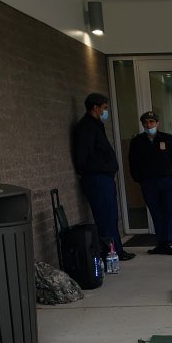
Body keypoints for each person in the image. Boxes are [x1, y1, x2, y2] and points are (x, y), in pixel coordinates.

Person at [72, 92, 133, 260]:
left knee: (111, 216)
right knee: (105, 217)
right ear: (95, 108)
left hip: (104, 177)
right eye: (104, 108)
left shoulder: (96, 125)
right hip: (97, 178)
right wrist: (103, 167)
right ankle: (110, 252)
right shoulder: (86, 128)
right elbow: (84, 157)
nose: (106, 112)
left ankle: (116, 250)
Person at [128, 110, 172, 256]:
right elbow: (133, 162)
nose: (148, 124)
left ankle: (168, 241)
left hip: (167, 181)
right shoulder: (137, 141)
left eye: (151, 122)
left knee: (169, 210)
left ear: (157, 123)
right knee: (156, 212)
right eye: (145, 122)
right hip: (148, 182)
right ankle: (160, 243)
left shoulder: (167, 138)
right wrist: (139, 179)